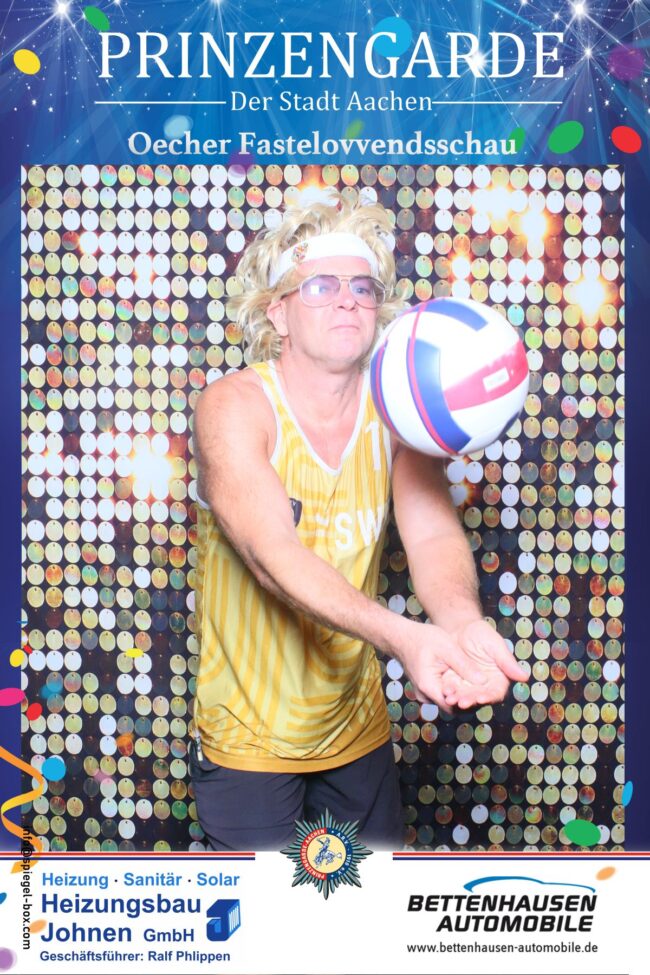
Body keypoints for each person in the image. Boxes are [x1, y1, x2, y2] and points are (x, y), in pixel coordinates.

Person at [190, 193, 528, 851]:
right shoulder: (233, 406)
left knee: (367, 913)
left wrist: (461, 625)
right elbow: (272, 555)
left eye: (362, 287)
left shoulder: (398, 409)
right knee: (266, 919)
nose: (347, 300)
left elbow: (432, 534)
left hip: (356, 732)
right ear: (278, 312)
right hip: (249, 739)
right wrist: (405, 638)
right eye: (321, 285)